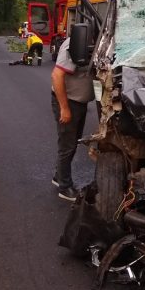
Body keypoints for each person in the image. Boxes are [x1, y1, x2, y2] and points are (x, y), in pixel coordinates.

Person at [51, 37, 95, 201]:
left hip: (78, 102)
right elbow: (57, 75)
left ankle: (59, 176)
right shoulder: (76, 43)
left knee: (72, 142)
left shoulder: (96, 42)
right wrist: (64, 108)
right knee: (67, 145)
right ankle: (65, 187)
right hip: (68, 101)